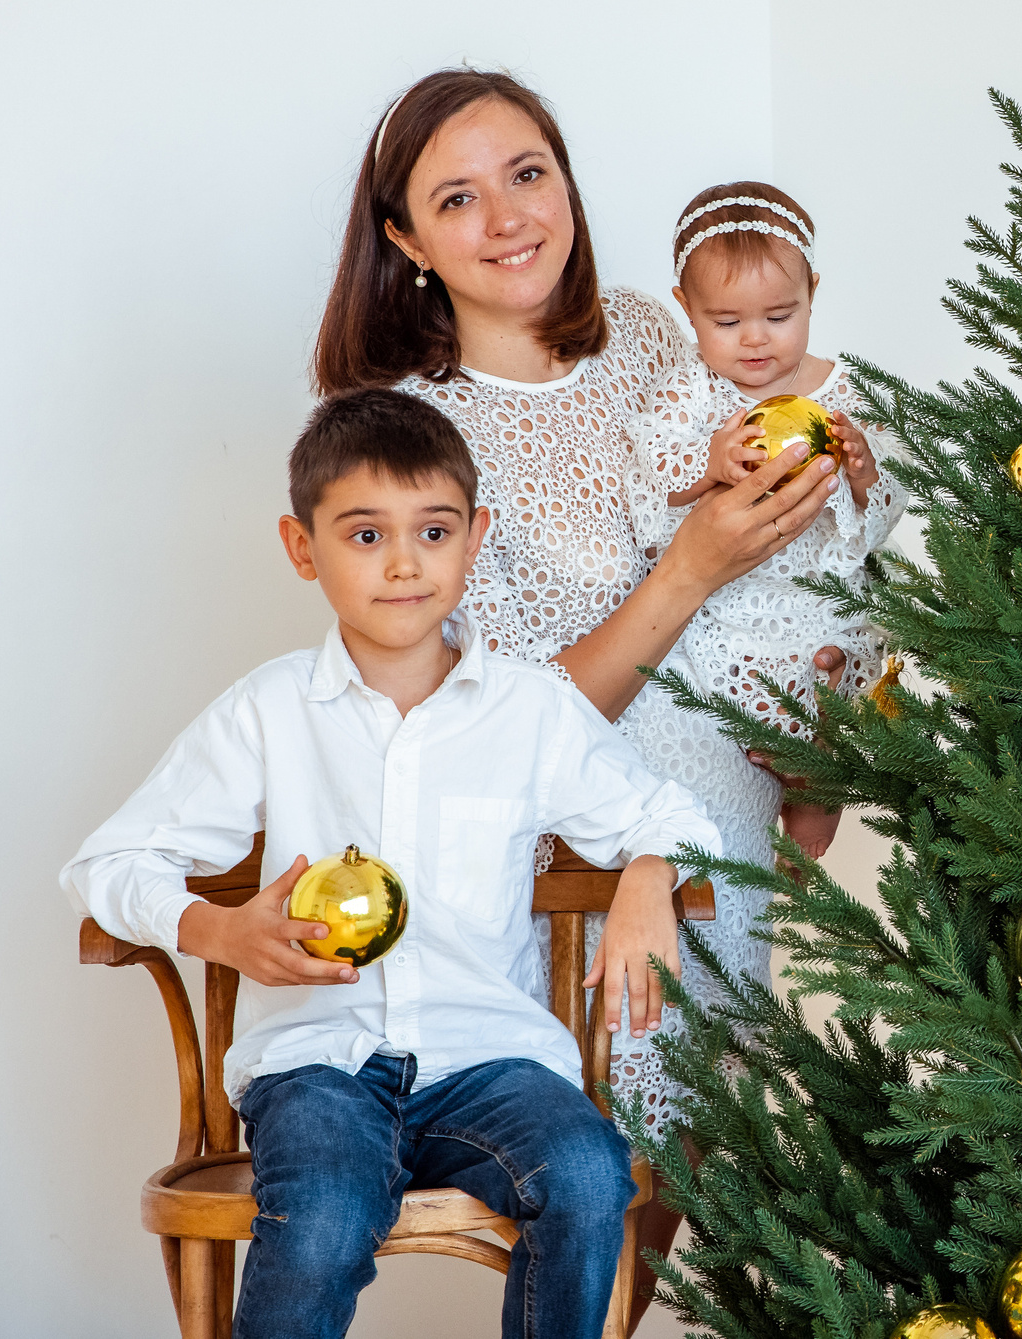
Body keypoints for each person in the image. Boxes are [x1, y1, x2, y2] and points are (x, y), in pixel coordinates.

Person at [312, 69, 846, 1318]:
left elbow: (778, 539)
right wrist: (696, 564)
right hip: (567, 856)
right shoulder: (401, 429)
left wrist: (819, 683)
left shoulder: (664, 334)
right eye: (457, 197)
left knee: (688, 1183)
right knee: (602, 1175)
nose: (507, 218)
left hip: (723, 807)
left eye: (528, 174)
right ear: (406, 241)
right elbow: (476, 722)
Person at [62, 389, 724, 1339]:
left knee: (586, 1171)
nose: (406, 562)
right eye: (365, 535)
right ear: (303, 548)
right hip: (318, 1067)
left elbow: (674, 815)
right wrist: (222, 930)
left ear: (475, 536)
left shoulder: (529, 711)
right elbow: (110, 861)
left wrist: (649, 875)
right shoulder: (270, 710)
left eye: (434, 530)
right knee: (325, 1210)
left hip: (488, 1061)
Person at [616, 180, 903, 1083]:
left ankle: (814, 786)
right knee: (710, 718)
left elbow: (885, 515)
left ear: (813, 293)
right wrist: (703, 469)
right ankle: (777, 796)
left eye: (780, 314)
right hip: (730, 619)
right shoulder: (685, 398)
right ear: (685, 314)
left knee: (850, 661)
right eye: (727, 320)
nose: (756, 341)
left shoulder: (845, 390)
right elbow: (646, 505)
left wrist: (861, 471)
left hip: (818, 611)